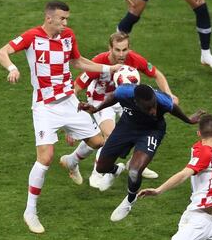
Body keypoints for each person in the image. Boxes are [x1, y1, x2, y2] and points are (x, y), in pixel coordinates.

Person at [0, 0, 123, 234]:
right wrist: (12, 68)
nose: (66, 23)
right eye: (62, 19)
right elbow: (2, 52)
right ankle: (30, 211)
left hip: (69, 103)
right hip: (45, 107)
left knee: (99, 143)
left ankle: (72, 161)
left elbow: (77, 61)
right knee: (45, 158)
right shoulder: (32, 37)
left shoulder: (68, 36)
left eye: (67, 19)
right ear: (49, 18)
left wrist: (108, 69)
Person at [79, 84, 204, 222]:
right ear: (136, 103)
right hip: (127, 126)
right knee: (101, 167)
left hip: (151, 131)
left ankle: (130, 200)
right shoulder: (124, 92)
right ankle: (115, 170)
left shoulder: (162, 100)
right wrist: (96, 108)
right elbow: (113, 97)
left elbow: (173, 108)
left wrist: (189, 120)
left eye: (154, 106)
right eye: (148, 108)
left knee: (134, 170)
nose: (153, 111)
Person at [75, 31, 178, 189]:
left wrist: (169, 94)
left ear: (129, 48)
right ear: (110, 48)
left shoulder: (134, 59)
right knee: (111, 134)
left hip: (126, 98)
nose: (121, 54)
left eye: (124, 49)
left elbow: (157, 74)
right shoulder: (98, 62)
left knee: (145, 125)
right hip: (101, 99)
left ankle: (134, 162)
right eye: (117, 50)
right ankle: (98, 172)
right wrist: (71, 122)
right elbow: (76, 87)